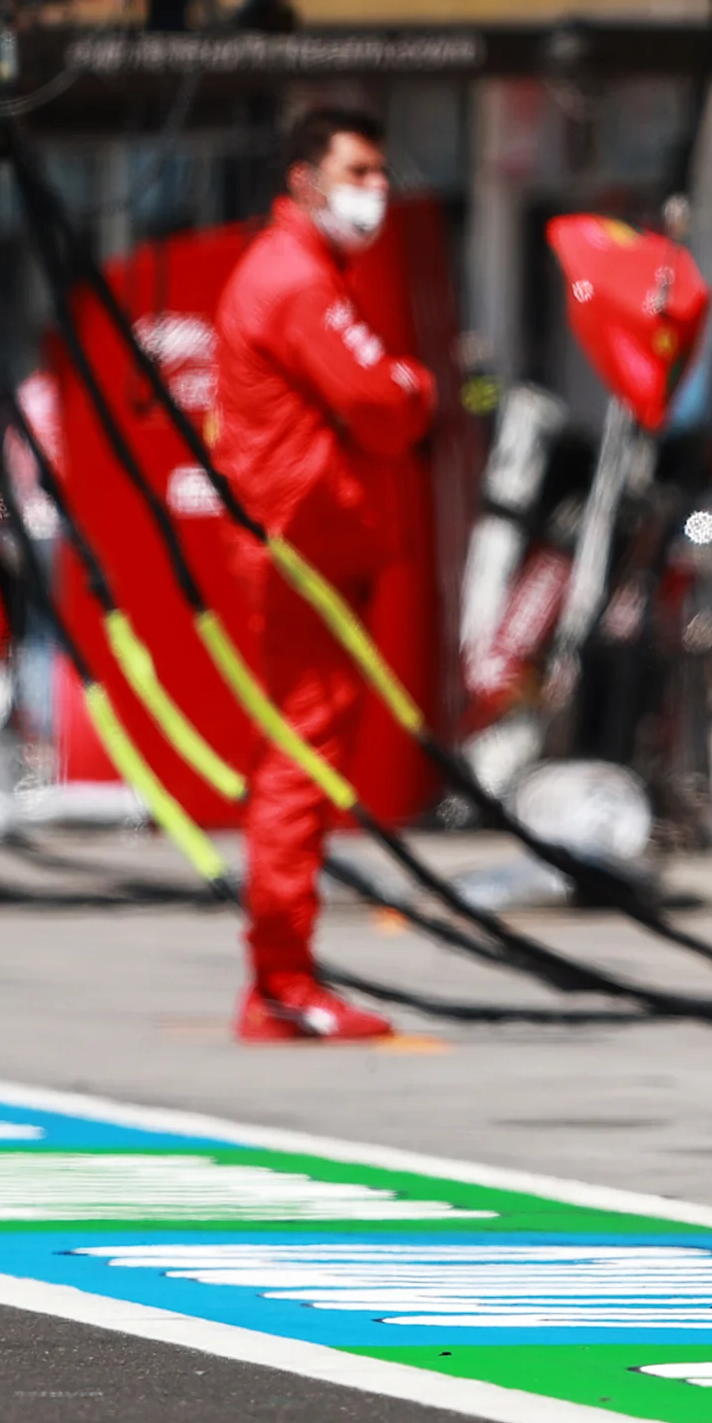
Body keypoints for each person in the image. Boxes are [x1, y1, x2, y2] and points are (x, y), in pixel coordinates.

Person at [212, 106, 438, 1043]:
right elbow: (383, 406)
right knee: (302, 761)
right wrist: (418, 387)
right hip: (302, 546)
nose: (374, 190)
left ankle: (283, 975)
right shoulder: (299, 278)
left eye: (382, 171)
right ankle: (281, 984)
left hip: (307, 543)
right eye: (358, 170)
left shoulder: (300, 270)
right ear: (303, 178)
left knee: (305, 754)